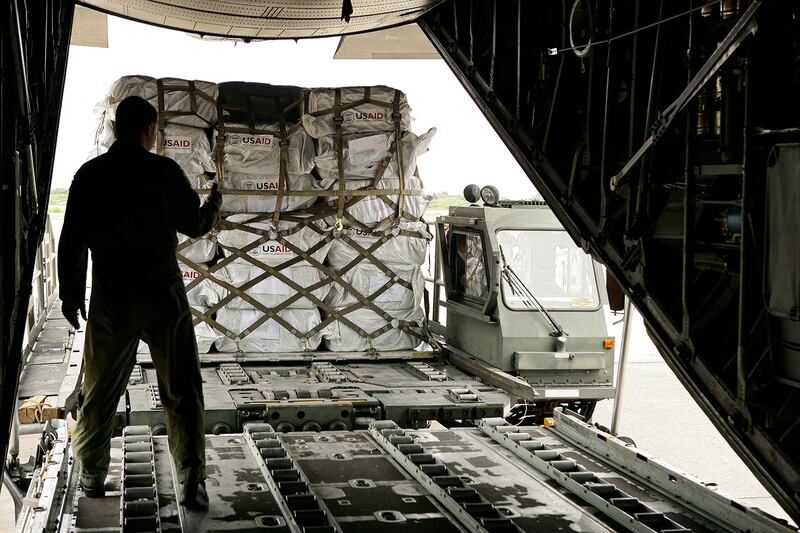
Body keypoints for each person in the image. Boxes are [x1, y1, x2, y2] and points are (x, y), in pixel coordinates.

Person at [58, 95, 222, 510]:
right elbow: (195, 223)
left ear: (116, 129)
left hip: (112, 296)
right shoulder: (163, 171)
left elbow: (72, 241)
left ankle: (93, 476)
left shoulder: (89, 175)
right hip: (161, 293)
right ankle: (191, 482)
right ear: (150, 130)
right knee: (181, 387)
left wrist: (71, 293)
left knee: (99, 390)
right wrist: (216, 199)